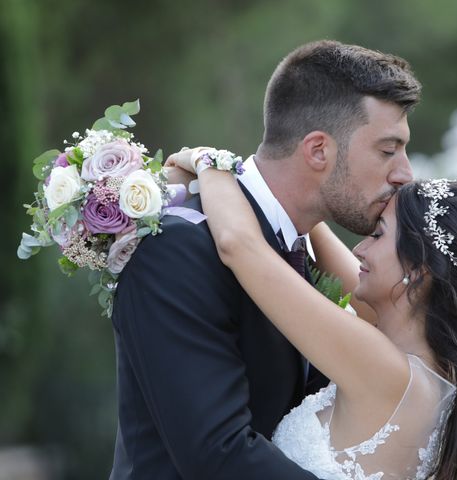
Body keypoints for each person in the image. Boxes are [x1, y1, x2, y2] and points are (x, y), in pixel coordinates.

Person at [109, 40, 420, 479]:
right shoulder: (178, 248)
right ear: (318, 151)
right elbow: (217, 453)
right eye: (388, 150)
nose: (404, 172)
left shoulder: (298, 248)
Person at [167, 153, 457, 479]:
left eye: (377, 234)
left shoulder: (386, 370)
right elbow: (312, 230)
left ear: (419, 272)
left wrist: (210, 164)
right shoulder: (423, 366)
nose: (360, 248)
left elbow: (240, 247)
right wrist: (296, 186)